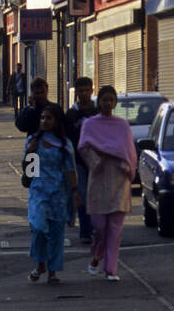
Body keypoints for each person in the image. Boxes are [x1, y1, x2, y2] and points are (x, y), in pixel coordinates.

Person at [78, 85, 137, 281]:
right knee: (100, 226)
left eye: (111, 99)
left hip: (119, 179)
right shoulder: (90, 124)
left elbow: (130, 151)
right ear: (99, 101)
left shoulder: (122, 125)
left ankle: (110, 269)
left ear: (115, 103)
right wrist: (96, 161)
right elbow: (83, 147)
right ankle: (97, 254)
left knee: (115, 229)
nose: (108, 103)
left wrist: (129, 169)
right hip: (99, 178)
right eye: (104, 99)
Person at [24, 103, 78, 284]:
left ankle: (53, 271)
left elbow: (70, 169)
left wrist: (75, 191)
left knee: (56, 233)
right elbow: (30, 172)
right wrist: (30, 154)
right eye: (42, 118)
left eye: (49, 118)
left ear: (56, 121)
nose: (45, 121)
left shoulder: (64, 144)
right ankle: (40, 263)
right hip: (39, 191)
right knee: (38, 227)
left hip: (59, 193)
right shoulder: (33, 140)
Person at [64, 77, 98, 243]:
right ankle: (85, 230)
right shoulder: (71, 115)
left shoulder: (97, 111)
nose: (84, 93)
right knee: (83, 196)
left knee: (97, 196)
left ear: (92, 90)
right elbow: (67, 139)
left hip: (98, 160)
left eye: (87, 90)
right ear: (75, 92)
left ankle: (98, 229)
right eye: (81, 90)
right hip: (78, 161)